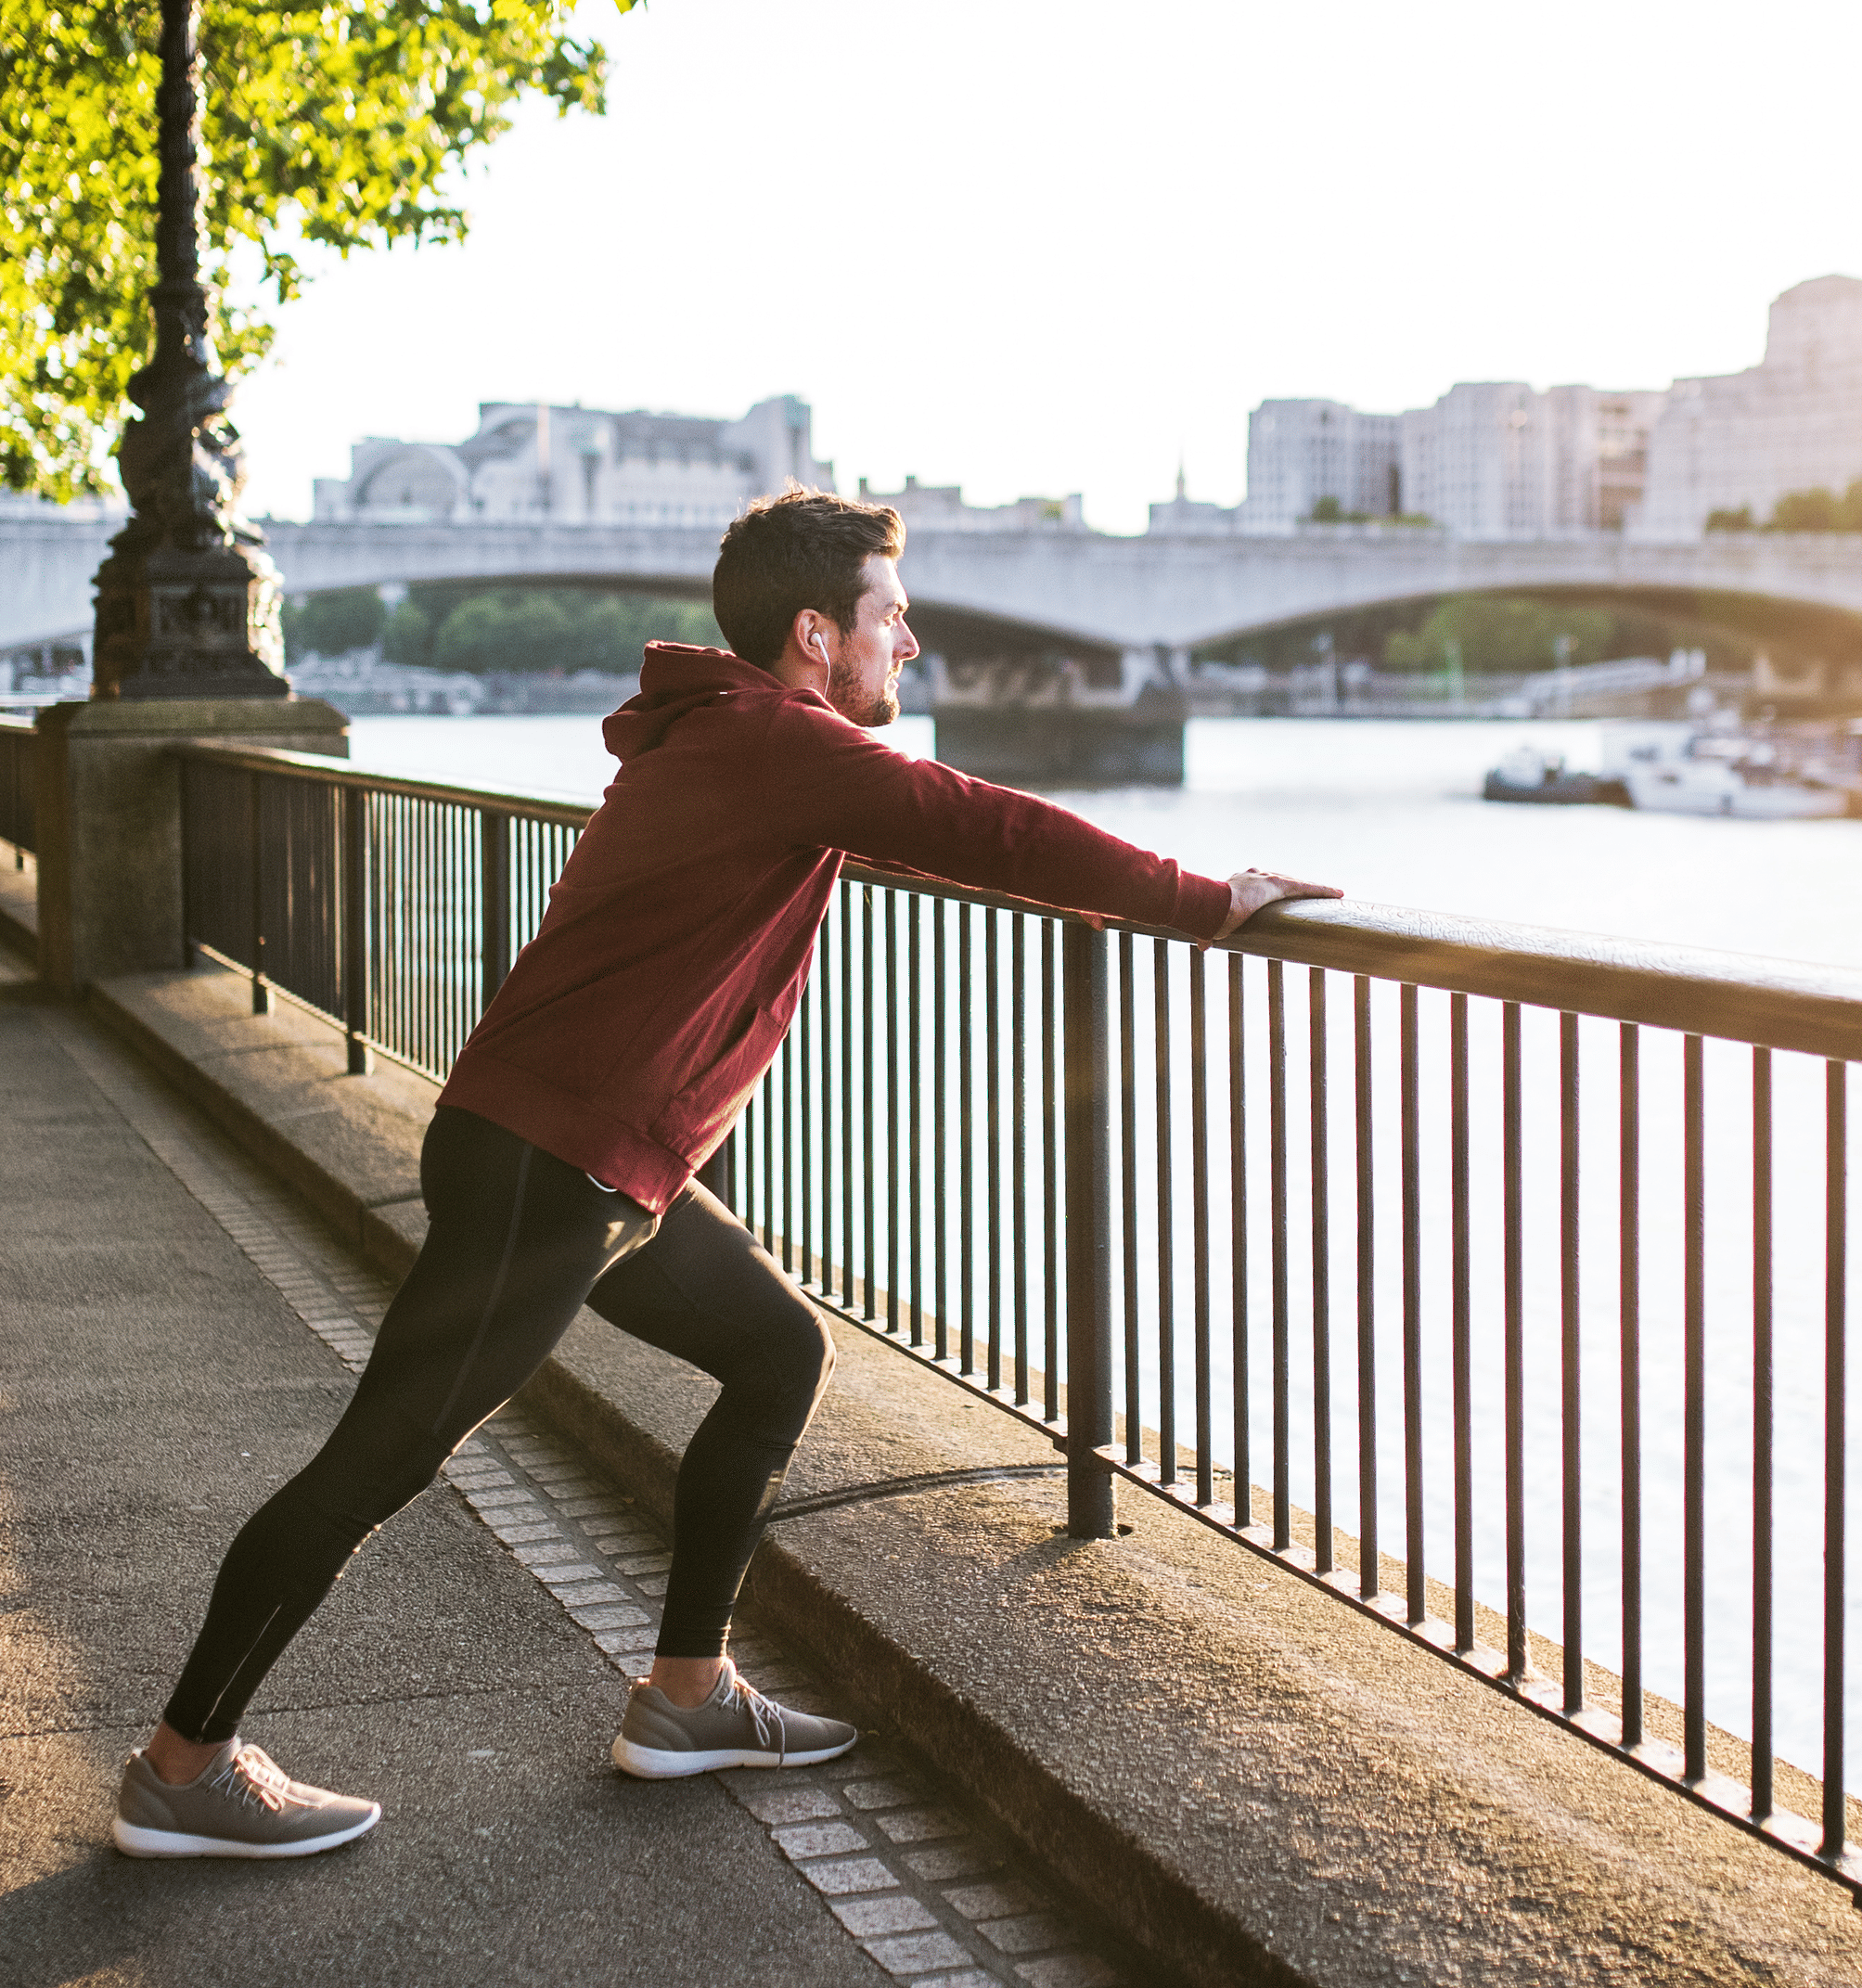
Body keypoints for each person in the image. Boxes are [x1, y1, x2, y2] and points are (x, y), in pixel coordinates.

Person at [111, 488, 1340, 1862]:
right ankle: (183, 1761)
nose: (912, 641)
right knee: (378, 1460)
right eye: (891, 616)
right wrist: (1199, 894)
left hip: (600, 1165)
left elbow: (934, 829)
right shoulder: (765, 738)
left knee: (775, 1352)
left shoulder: (759, 746)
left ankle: (688, 1693)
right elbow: (976, 817)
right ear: (817, 634)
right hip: (551, 1161)